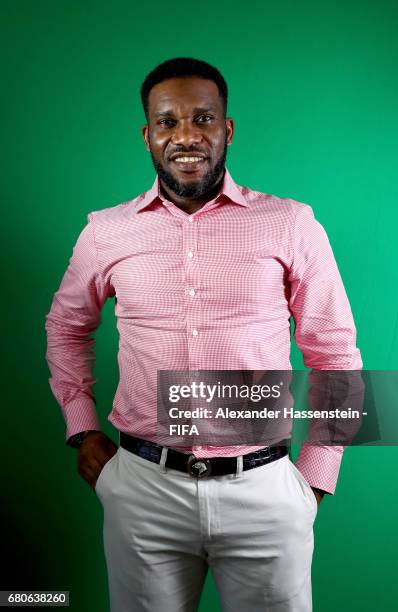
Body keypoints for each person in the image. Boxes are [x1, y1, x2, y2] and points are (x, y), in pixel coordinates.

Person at [45, 57, 362, 611]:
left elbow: (336, 351)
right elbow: (66, 327)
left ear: (227, 129)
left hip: (264, 488)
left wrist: (315, 476)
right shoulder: (106, 231)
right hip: (144, 489)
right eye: (167, 122)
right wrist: (82, 429)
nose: (185, 136)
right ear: (147, 136)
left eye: (202, 118)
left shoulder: (290, 222)